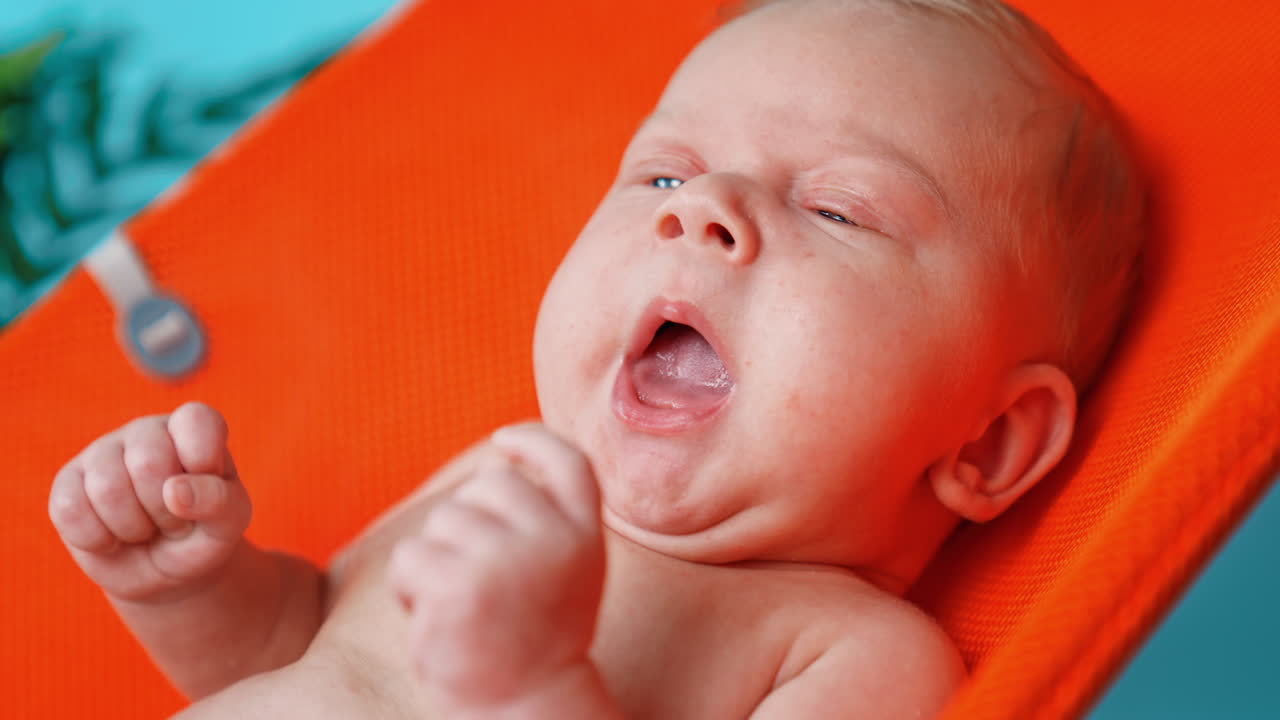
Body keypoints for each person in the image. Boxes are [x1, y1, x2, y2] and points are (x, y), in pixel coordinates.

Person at [47, 0, 1145, 716]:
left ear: (990, 442)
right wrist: (190, 588)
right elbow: (294, 650)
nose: (704, 209)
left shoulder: (850, 656)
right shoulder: (507, 475)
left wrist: (531, 686)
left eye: (838, 209)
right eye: (663, 177)